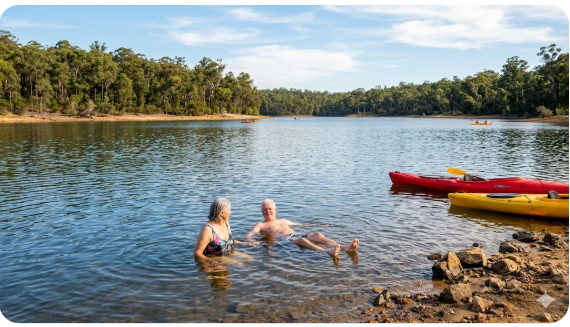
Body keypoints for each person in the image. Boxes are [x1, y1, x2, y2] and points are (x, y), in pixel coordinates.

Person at [246, 199, 359, 257]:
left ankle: (344, 248)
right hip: (284, 239)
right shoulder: (261, 224)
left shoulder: (282, 220)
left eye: (270, 209)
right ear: (262, 212)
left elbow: (300, 224)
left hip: (296, 234)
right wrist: (252, 240)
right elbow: (250, 233)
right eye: (265, 209)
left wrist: (320, 225)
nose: (268, 211)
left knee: (318, 235)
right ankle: (327, 252)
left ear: (275, 210)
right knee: (302, 240)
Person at [194, 198, 253, 264]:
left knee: (250, 259)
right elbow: (197, 253)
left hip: (229, 253)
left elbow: (228, 242)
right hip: (215, 258)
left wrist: (242, 243)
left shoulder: (226, 223)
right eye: (229, 210)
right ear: (222, 213)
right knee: (240, 264)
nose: (231, 212)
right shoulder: (207, 230)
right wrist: (212, 261)